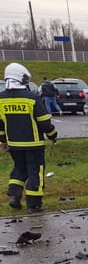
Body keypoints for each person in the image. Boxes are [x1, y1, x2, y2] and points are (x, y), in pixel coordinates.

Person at [0, 63, 58, 212]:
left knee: (19, 169)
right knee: (35, 172)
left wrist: (3, 141)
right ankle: (34, 204)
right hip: (33, 145)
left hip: (14, 145)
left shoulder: (1, 98)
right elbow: (44, 122)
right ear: (21, 78)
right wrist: (53, 135)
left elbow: (1, 124)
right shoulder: (32, 98)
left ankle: (14, 195)